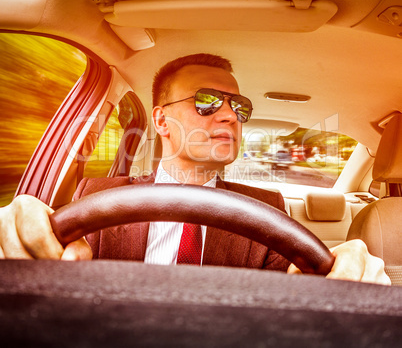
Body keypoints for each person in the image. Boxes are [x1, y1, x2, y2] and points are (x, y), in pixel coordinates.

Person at [0, 53, 390, 284]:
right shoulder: (96, 195)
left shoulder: (269, 208)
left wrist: (345, 276)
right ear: (160, 120)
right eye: (206, 101)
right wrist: (19, 234)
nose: (230, 116)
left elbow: (294, 283)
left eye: (239, 107)